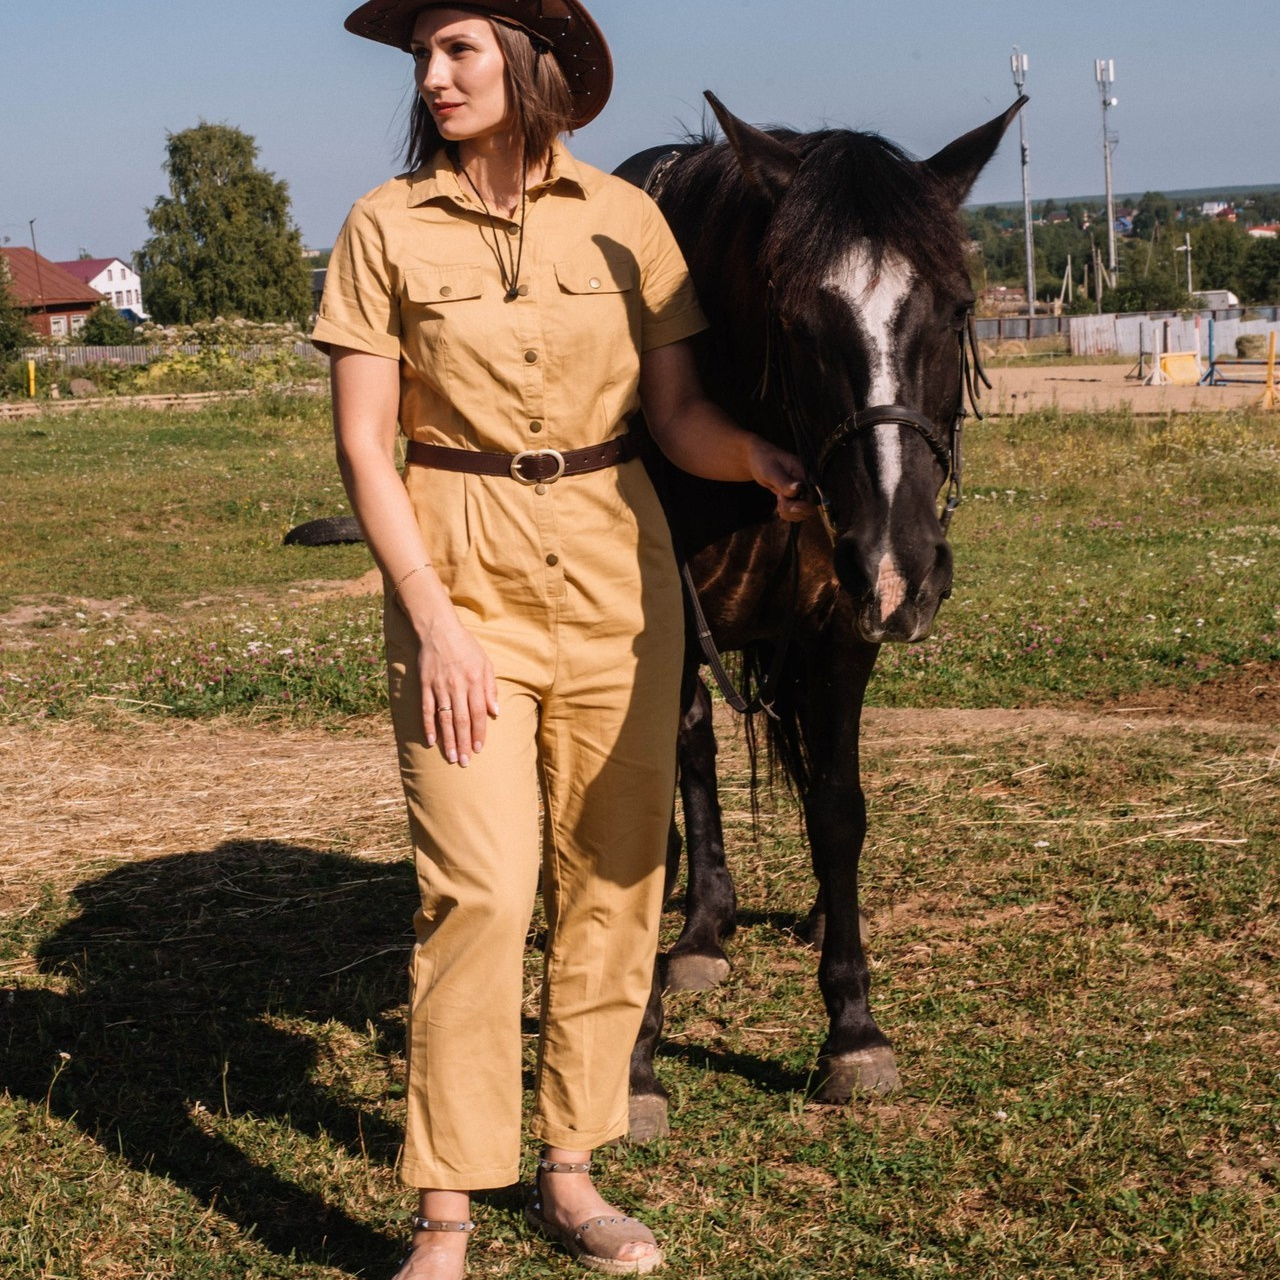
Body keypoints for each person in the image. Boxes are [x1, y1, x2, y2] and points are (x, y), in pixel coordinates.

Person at [313, 3, 811, 1275]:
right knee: (478, 890)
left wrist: (751, 458)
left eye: (457, 47)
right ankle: (445, 1211)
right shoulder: (384, 225)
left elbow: (679, 411)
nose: (431, 75)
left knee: (614, 878)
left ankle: (571, 1168)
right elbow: (366, 442)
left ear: (531, 62)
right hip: (457, 567)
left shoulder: (623, 219)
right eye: (424, 54)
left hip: (613, 567)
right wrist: (431, 617)